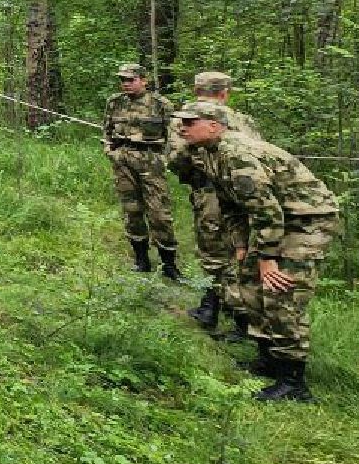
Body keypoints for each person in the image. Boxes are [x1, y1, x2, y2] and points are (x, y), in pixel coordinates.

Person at [172, 101, 338, 402]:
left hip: (307, 220)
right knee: (248, 285)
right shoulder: (208, 153)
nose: (183, 128)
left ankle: (293, 381)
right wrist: (240, 245)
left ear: (214, 125)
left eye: (190, 122)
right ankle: (268, 359)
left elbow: (267, 210)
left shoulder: (238, 154)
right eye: (182, 122)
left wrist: (268, 259)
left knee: (280, 291)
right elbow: (231, 205)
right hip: (273, 221)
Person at [167, 71, 261, 337]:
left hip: (208, 192)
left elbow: (175, 160)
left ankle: (217, 309)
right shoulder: (243, 120)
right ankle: (236, 313)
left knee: (212, 252)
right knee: (239, 249)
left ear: (196, 91)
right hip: (242, 191)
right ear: (224, 94)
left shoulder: (183, 120)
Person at [102, 63, 180, 278]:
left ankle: (169, 265)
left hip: (151, 161)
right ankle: (141, 260)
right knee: (132, 211)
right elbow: (106, 131)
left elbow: (174, 136)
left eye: (131, 79)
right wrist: (110, 152)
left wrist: (166, 159)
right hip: (123, 161)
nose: (126, 83)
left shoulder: (160, 104)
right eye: (123, 80)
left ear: (143, 80)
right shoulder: (115, 102)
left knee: (159, 213)